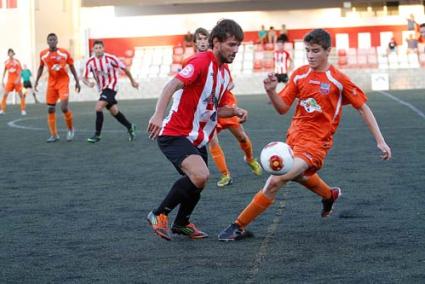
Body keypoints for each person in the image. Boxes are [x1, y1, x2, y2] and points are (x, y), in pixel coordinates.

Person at [218, 29, 392, 241]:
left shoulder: (338, 80)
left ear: (328, 51)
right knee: (299, 175)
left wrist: (380, 141)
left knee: (276, 180)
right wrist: (272, 92)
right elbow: (282, 108)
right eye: (307, 50)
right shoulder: (300, 74)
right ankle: (329, 195)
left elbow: (363, 108)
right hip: (293, 140)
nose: (310, 55)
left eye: (316, 51)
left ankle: (238, 226)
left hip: (316, 144)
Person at [146, 19, 247, 241]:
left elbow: (213, 109)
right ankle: (158, 213)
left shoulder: (225, 74)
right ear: (217, 42)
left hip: (196, 137)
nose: (236, 50)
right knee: (200, 175)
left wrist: (234, 111)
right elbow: (171, 85)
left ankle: (181, 224)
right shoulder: (201, 62)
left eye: (238, 45)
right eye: (231, 44)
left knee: (197, 182)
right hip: (175, 132)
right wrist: (158, 114)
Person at [190, 27, 262, 187]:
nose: (202, 42)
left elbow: (228, 85)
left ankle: (250, 159)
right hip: (208, 110)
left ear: (210, 41)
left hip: (225, 104)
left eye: (204, 39)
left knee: (241, 136)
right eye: (199, 39)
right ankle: (225, 175)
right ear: (194, 43)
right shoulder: (193, 62)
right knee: (212, 141)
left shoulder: (217, 59)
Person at [82, 40, 138, 143]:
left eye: (100, 48)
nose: (98, 50)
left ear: (103, 48)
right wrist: (88, 83)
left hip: (112, 86)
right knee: (114, 111)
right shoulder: (90, 62)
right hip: (102, 89)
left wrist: (132, 81)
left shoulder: (111, 58)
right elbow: (84, 78)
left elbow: (125, 69)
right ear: (93, 50)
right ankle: (130, 126)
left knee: (98, 107)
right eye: (96, 48)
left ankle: (97, 135)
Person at [34, 33, 80, 143]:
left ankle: (70, 129)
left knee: (64, 107)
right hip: (51, 83)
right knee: (50, 108)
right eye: (50, 39)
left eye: (54, 39)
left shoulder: (64, 53)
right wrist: (36, 81)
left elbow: (72, 66)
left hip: (63, 82)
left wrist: (77, 81)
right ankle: (54, 135)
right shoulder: (43, 54)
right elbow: (41, 67)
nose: (52, 41)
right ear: (47, 42)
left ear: (57, 41)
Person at [1, 48, 26, 115]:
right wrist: (2, 80)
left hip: (17, 81)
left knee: (21, 95)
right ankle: (2, 109)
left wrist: (18, 79)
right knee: (5, 94)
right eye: (9, 53)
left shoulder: (17, 61)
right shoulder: (6, 62)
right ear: (8, 54)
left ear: (13, 53)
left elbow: (21, 71)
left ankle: (23, 109)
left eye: (11, 52)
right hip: (10, 81)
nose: (10, 54)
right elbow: (4, 71)